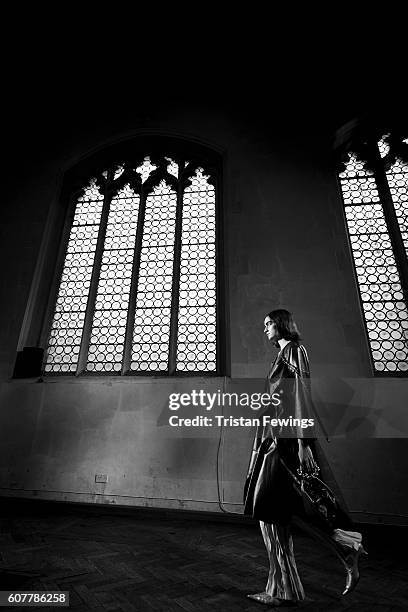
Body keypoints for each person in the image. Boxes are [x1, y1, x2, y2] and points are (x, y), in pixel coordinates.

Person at [243, 309, 367, 606]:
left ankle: (344, 546)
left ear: (282, 324)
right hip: (273, 437)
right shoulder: (283, 354)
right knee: (277, 515)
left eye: (269, 324)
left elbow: (300, 394)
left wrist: (302, 442)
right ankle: (286, 589)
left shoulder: (295, 351)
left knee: (271, 513)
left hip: (285, 441)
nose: (265, 330)